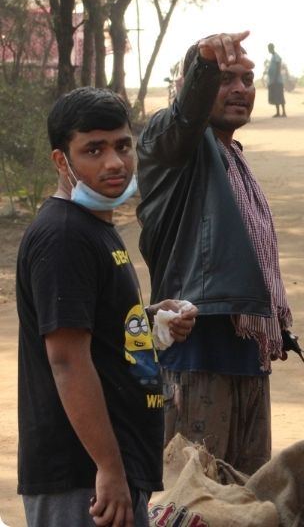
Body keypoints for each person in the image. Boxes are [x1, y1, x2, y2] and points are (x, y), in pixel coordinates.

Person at [16, 87, 197, 527]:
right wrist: (109, 469)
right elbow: (67, 362)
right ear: (62, 161)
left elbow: (92, 327)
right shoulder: (63, 237)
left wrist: (150, 319)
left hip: (112, 464)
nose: (114, 162)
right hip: (82, 476)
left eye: (122, 145)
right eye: (93, 150)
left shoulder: (92, 226)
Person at [136, 31, 294, 475]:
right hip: (197, 348)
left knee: (245, 498)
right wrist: (204, 62)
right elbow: (185, 118)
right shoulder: (171, 146)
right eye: (225, 78)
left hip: (246, 350)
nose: (241, 88)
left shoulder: (233, 157)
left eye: (247, 78)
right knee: (194, 500)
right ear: (191, 86)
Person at [266, 42, 286, 118]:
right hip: (274, 80)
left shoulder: (276, 56)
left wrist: (275, 78)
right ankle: (278, 112)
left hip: (277, 81)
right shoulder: (273, 57)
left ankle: (284, 112)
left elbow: (278, 68)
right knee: (275, 96)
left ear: (272, 48)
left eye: (269, 48)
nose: (268, 50)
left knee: (280, 96)